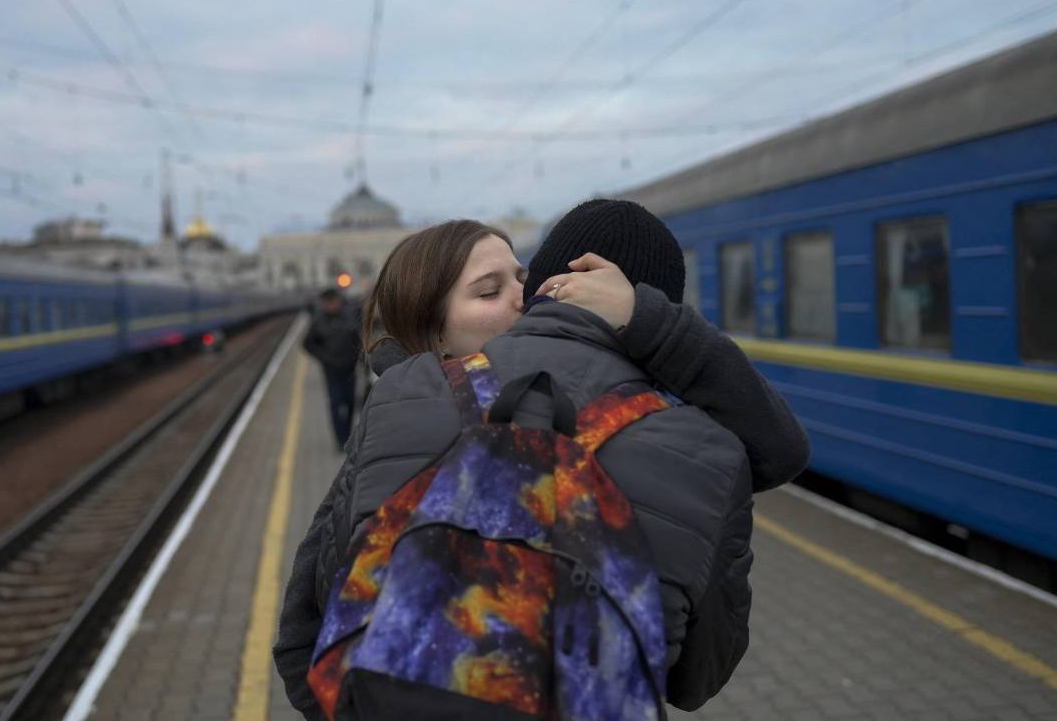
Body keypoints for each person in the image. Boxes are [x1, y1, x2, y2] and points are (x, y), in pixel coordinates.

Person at [276, 205, 809, 717]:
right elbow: (695, 679)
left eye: (523, 282)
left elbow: (311, 625)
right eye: (491, 290)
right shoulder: (705, 451)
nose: (519, 301)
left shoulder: (400, 396)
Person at [302, 288, 361, 450]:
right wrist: (324, 358)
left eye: (333, 302)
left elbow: (359, 339)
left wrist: (357, 357)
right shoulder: (318, 321)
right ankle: (339, 439)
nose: (330, 305)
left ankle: (347, 435)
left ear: (338, 301)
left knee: (349, 403)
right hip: (331, 371)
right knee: (335, 403)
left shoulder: (350, 317)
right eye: (327, 303)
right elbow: (308, 344)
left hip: (349, 369)